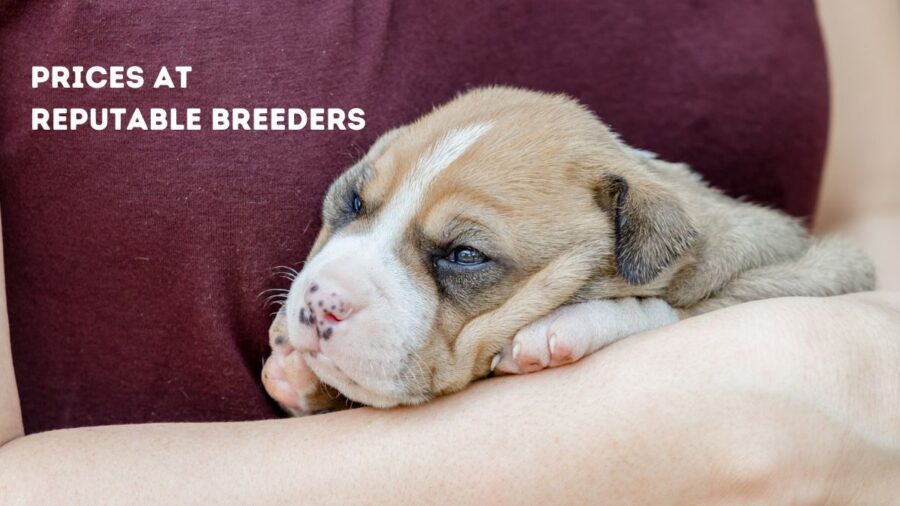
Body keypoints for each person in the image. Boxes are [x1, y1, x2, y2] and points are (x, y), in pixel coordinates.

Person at [1, 1, 899, 503]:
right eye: (355, 205)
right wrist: (652, 437)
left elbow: (878, 211)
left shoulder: (652, 231)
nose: (328, 286)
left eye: (461, 256)